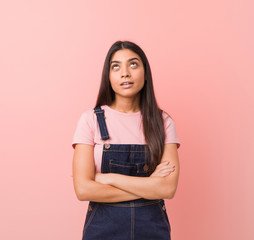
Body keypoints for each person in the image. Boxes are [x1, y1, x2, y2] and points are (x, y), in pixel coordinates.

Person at [71, 40, 181, 240]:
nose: (125, 73)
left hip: (152, 231)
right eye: (116, 66)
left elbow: (167, 188)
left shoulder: (163, 122)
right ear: (108, 76)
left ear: (145, 73)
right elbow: (83, 189)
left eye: (133, 64)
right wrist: (149, 186)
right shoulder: (90, 120)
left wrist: (109, 178)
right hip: (102, 231)